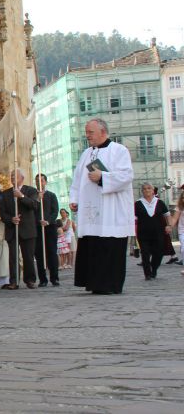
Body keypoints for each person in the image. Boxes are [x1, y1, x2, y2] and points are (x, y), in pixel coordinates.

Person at [70, 118, 135, 295]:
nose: (87, 135)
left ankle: (109, 284)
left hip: (111, 210)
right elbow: (77, 180)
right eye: (86, 132)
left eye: (90, 132)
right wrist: (74, 199)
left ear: (103, 132)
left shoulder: (119, 150)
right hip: (91, 211)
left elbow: (126, 176)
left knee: (109, 247)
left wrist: (103, 177)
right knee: (93, 247)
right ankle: (94, 283)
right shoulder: (86, 154)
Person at [0, 168, 39, 290]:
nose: (12, 178)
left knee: (28, 256)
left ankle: (30, 280)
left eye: (14, 176)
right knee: (13, 257)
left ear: (22, 178)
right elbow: (3, 213)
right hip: (12, 229)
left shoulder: (31, 190)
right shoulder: (5, 194)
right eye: (11, 176)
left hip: (27, 229)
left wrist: (21, 196)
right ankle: (14, 281)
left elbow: (34, 205)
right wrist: (11, 219)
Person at [134, 182, 171, 280]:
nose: (147, 190)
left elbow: (167, 215)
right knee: (145, 254)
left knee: (158, 253)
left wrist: (169, 225)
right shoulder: (137, 204)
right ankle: (147, 274)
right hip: (143, 234)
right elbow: (134, 219)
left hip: (158, 233)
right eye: (144, 189)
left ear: (153, 190)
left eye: (149, 188)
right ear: (142, 191)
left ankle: (154, 269)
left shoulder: (159, 202)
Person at [33, 174, 60, 287]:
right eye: (37, 181)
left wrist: (48, 221)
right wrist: (37, 199)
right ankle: (43, 279)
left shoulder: (51, 195)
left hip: (50, 228)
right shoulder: (33, 196)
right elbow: (32, 210)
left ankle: (54, 278)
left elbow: (55, 211)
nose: (39, 182)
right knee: (39, 254)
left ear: (46, 182)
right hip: (37, 228)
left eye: (42, 180)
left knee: (52, 253)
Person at [168, 191, 184, 276]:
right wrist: (170, 226)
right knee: (183, 249)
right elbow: (174, 219)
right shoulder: (179, 207)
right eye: (183, 197)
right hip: (183, 231)